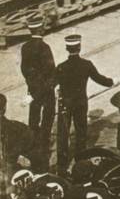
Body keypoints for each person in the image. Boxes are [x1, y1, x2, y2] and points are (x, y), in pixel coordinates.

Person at [56, 33, 115, 170]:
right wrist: (112, 81)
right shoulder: (86, 65)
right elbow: (100, 79)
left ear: (67, 48)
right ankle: (80, 161)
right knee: (81, 131)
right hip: (80, 102)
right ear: (80, 47)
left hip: (65, 103)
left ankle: (61, 165)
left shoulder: (61, 67)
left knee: (63, 134)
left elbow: (52, 83)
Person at [20, 15, 56, 168]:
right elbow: (50, 69)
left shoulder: (25, 47)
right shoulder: (44, 47)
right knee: (47, 117)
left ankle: (32, 143)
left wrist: (32, 85)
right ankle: (44, 145)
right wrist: (50, 86)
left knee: (33, 116)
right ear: (40, 29)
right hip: (46, 89)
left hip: (33, 88)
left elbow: (24, 69)